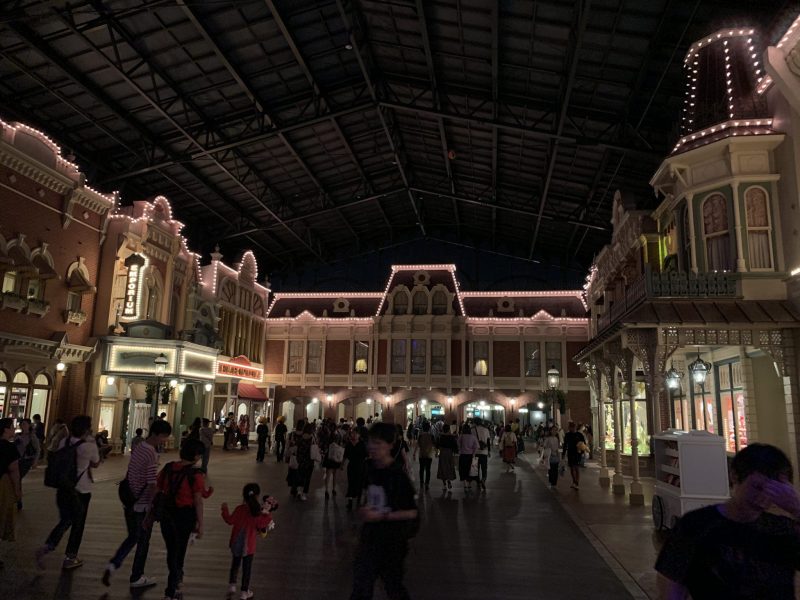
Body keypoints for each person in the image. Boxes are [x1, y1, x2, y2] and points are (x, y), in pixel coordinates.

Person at [656, 443, 800, 599]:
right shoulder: (696, 526)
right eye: (757, 487)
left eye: (773, 491)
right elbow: (671, 586)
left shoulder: (783, 529)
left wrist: (797, 509)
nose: (763, 497)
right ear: (735, 476)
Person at [349, 422, 418, 600]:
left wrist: (382, 515)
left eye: (378, 443)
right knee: (361, 587)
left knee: (393, 587)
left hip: (392, 542)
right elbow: (369, 498)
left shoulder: (397, 476)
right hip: (370, 539)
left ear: (390, 445)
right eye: (370, 442)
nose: (372, 447)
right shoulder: (370, 468)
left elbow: (412, 512)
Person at [103, 419, 172, 589]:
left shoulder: (140, 447)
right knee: (143, 541)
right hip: (141, 504)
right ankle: (136, 576)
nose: (165, 440)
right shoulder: (151, 453)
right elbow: (151, 483)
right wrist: (150, 509)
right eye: (164, 436)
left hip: (129, 499)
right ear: (156, 434)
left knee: (133, 536)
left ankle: (114, 563)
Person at [35, 415, 101, 570]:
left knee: (65, 520)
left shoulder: (64, 441)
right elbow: (96, 463)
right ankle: (70, 557)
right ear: (86, 429)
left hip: (64, 487)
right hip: (81, 490)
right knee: (78, 524)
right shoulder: (89, 446)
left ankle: (48, 546)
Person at [155, 439, 209, 600]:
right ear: (196, 455)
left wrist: (150, 514)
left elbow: (157, 489)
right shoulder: (196, 475)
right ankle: (173, 587)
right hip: (185, 515)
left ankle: (175, 582)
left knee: (172, 549)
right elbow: (198, 501)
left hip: (166, 514)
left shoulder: (168, 468)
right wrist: (201, 524)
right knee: (179, 551)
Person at [221, 483, 275, 600]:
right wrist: (268, 515)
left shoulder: (239, 509)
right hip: (249, 546)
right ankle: (244, 592)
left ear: (244, 495)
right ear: (257, 496)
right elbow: (262, 525)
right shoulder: (257, 513)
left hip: (236, 542)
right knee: (247, 568)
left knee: (235, 564)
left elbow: (229, 520)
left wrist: (224, 509)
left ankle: (232, 585)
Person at [0, 418, 21, 568]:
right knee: (2, 515)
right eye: (12, 427)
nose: (14, 430)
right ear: (5, 430)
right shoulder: (9, 448)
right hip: (3, 484)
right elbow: (14, 470)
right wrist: (17, 490)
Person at [287, 421, 314, 500]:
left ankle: (298, 491)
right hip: (309, 460)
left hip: (300, 459)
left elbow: (296, 447)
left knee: (300, 475)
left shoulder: (300, 437)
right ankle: (304, 493)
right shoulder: (312, 437)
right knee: (307, 477)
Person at [344, 427, 368, 511]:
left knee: (359, 483)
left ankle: (358, 499)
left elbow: (367, 455)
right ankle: (350, 501)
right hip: (351, 466)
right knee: (351, 482)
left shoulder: (362, 444)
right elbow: (345, 455)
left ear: (359, 435)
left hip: (361, 466)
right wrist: (342, 464)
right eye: (352, 433)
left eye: (355, 433)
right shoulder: (349, 444)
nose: (353, 435)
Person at [321, 421, 344, 499]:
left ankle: (326, 490)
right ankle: (334, 489)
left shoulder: (328, 435)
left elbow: (324, 445)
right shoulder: (339, 435)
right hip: (336, 455)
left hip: (329, 456)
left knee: (328, 474)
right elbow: (341, 444)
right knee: (335, 474)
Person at [562, 421, 586, 490]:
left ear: (575, 427)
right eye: (570, 427)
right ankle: (574, 481)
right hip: (570, 453)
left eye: (572, 427)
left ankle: (577, 482)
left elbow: (583, 444)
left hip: (577, 453)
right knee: (572, 468)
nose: (571, 429)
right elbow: (565, 445)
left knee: (576, 467)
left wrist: (582, 452)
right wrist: (563, 453)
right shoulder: (567, 435)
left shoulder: (579, 435)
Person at [412, 421, 435, 491]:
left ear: (423, 428)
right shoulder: (431, 436)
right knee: (428, 470)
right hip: (429, 455)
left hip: (421, 455)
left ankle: (421, 482)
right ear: (429, 428)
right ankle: (427, 483)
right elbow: (434, 445)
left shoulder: (420, 436)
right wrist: (437, 452)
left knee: (421, 469)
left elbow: (417, 445)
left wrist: (414, 453)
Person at [457, 423, 479, 493]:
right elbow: (477, 446)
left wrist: (460, 450)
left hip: (463, 455)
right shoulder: (473, 437)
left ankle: (465, 485)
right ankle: (469, 484)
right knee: (470, 470)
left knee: (463, 470)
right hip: (470, 456)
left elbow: (458, 444)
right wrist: (474, 453)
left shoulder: (461, 436)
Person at [436, 424, 458, 491]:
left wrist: (437, 452)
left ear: (443, 429)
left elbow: (437, 445)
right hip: (449, 453)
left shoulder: (441, 436)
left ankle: (444, 485)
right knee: (449, 467)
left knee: (442, 467)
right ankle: (449, 481)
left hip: (442, 453)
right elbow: (455, 446)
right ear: (448, 429)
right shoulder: (451, 437)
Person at [471, 418, 491, 491]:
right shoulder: (486, 430)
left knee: (477, 468)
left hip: (475, 452)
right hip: (484, 452)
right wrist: (489, 451)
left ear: (474, 422)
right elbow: (488, 441)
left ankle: (478, 481)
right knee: (484, 468)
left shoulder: (472, 430)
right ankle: (483, 480)